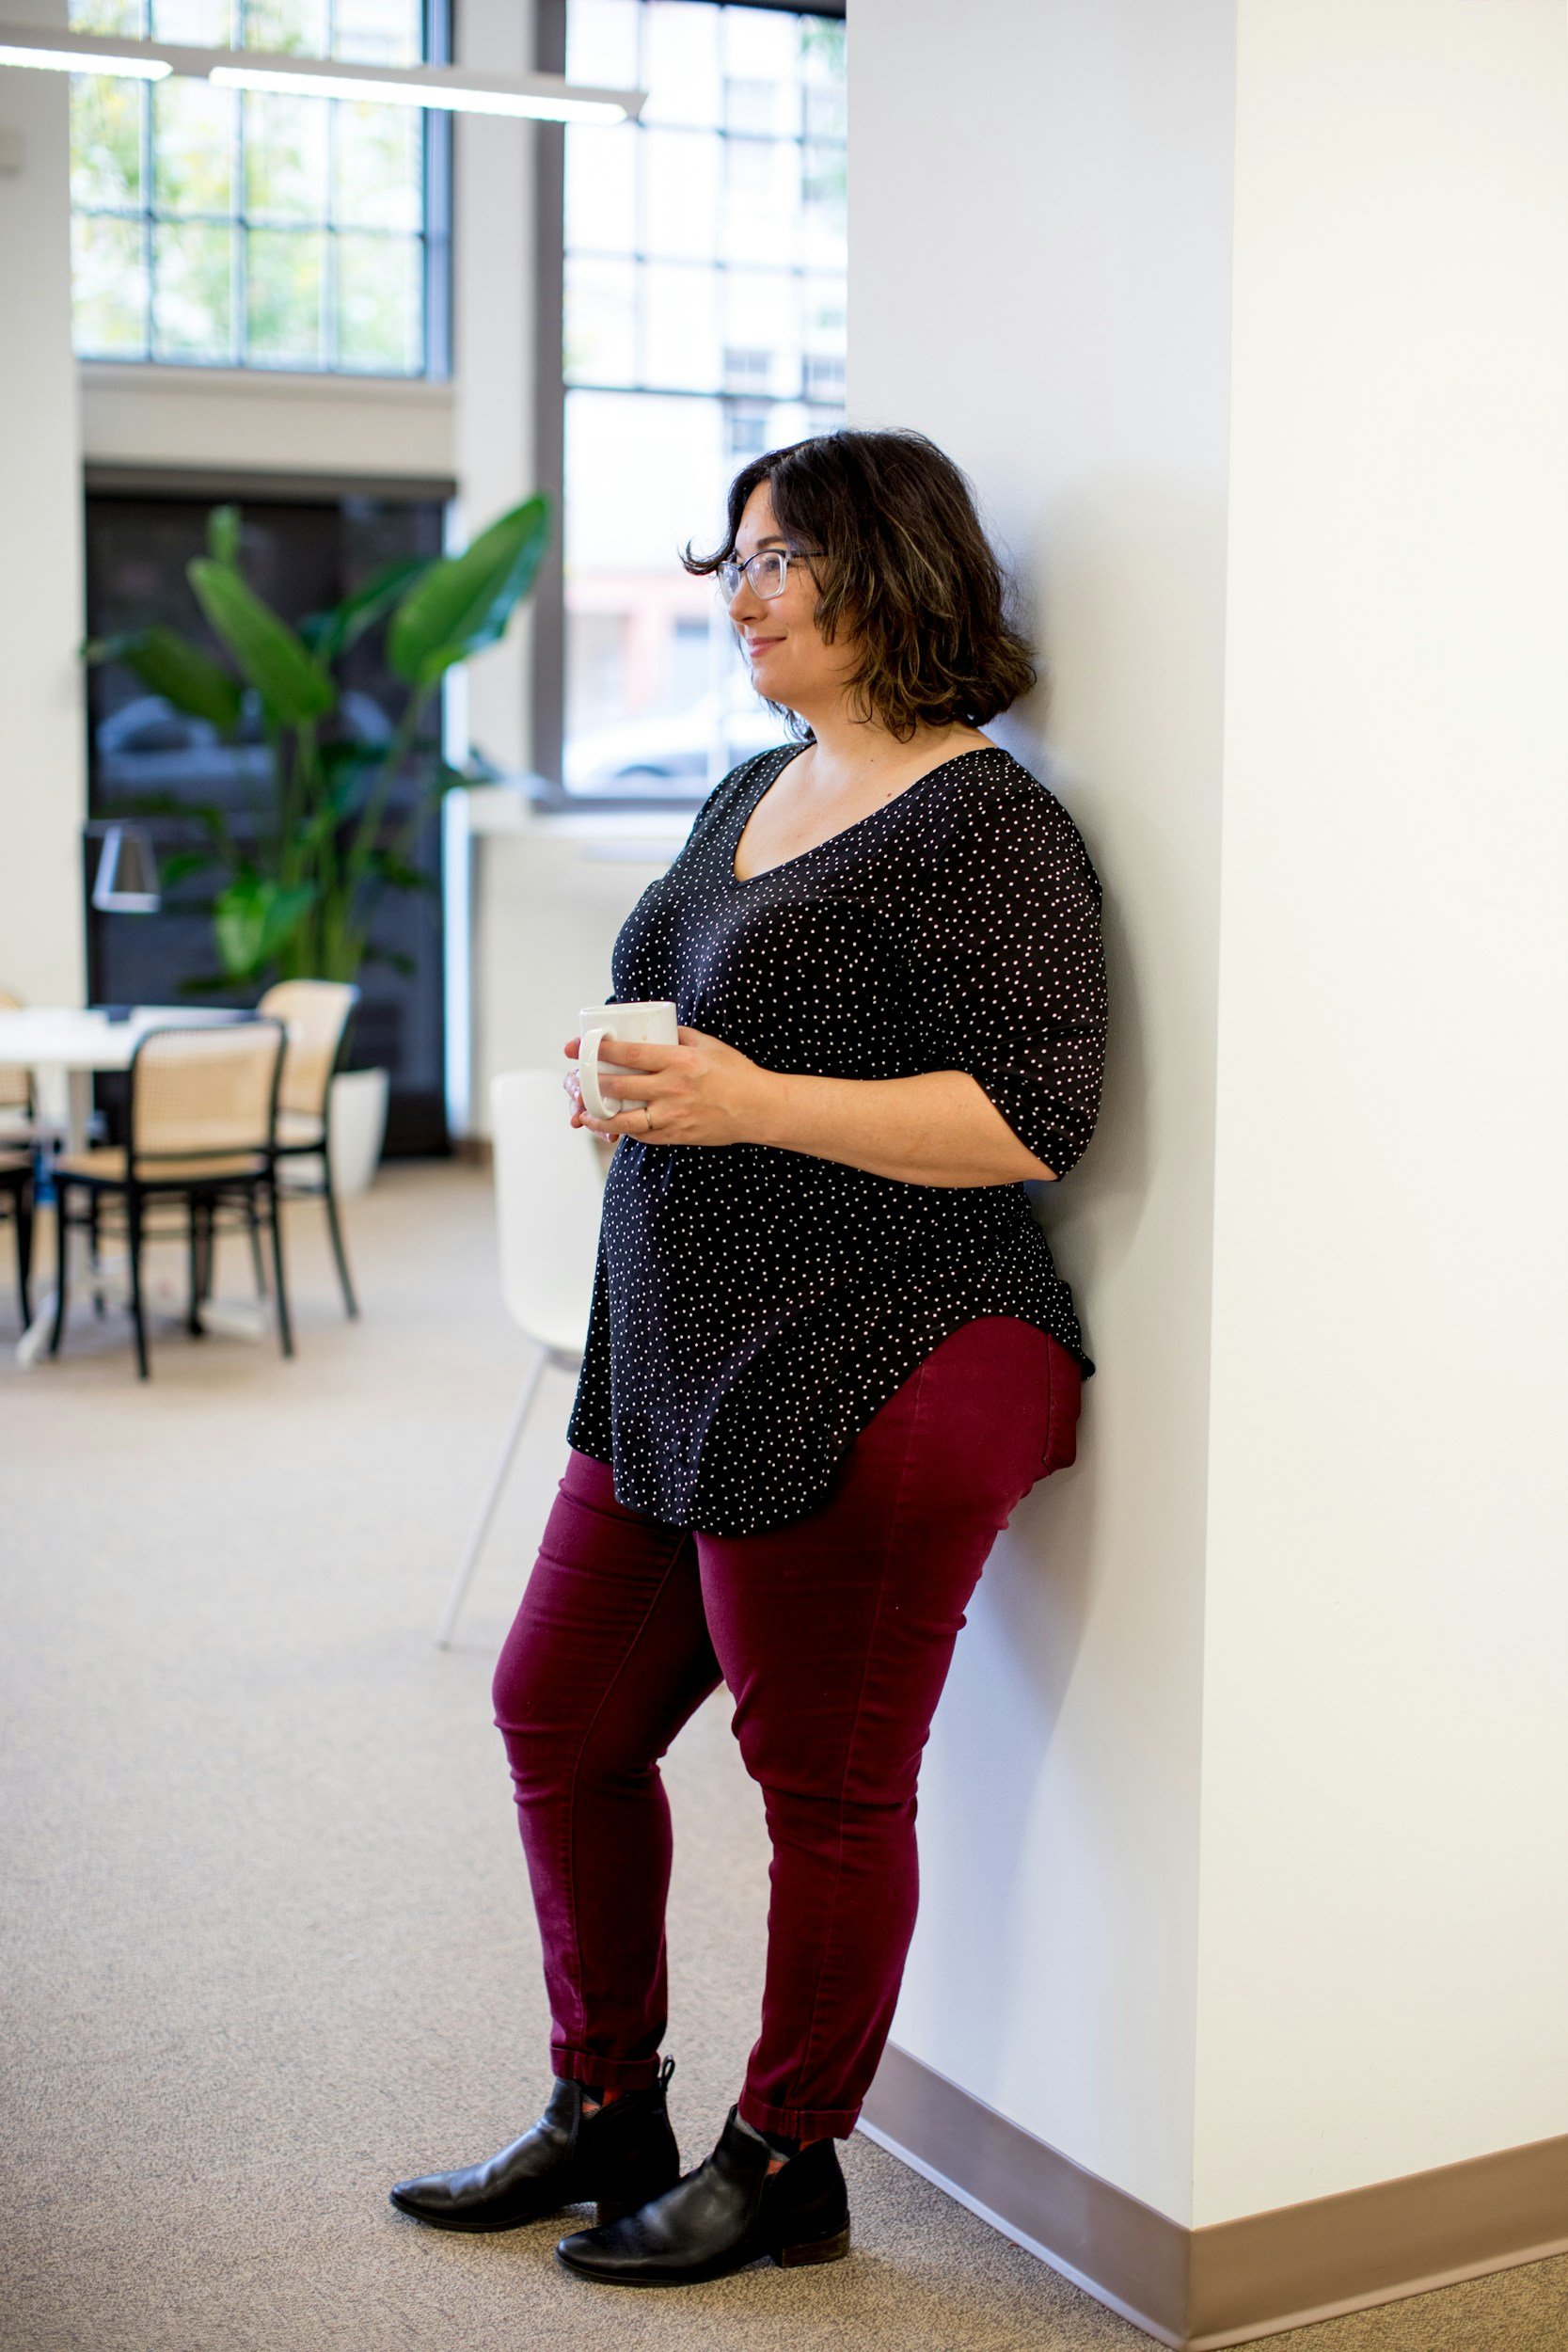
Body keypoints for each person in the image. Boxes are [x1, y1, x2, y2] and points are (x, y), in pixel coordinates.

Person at [389, 427, 1108, 2287]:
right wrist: (627, 1080)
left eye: (780, 553)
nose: (745, 589)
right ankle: (606, 2100)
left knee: (828, 1784)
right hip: (683, 1340)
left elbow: (1037, 1117)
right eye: (733, 559)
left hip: (884, 1343)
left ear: (896, 574)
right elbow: (713, 1016)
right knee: (558, 1709)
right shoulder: (751, 786)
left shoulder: (990, 824)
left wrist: (747, 1095)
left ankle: (791, 2152)